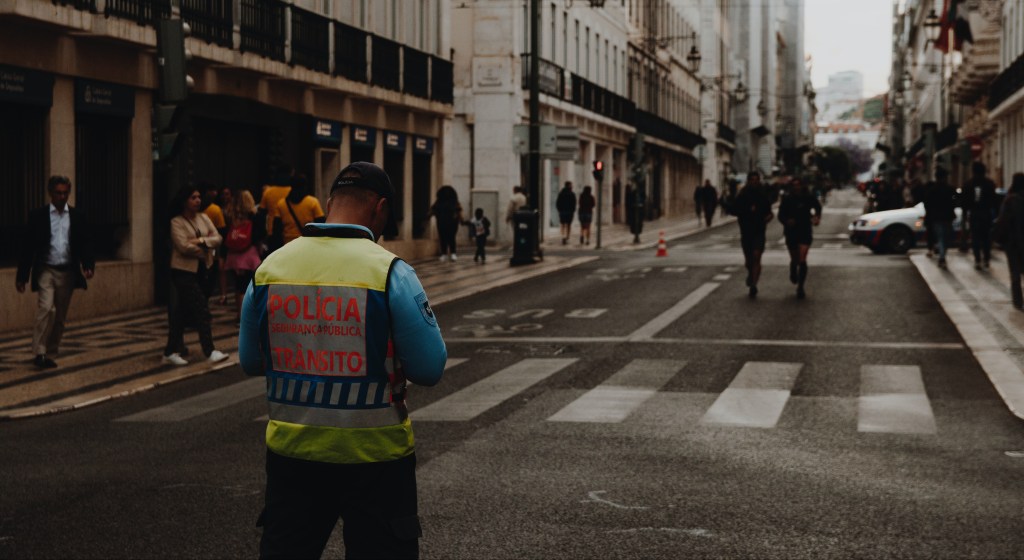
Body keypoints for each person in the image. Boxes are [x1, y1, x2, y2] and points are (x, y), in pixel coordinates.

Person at [238, 161, 447, 559]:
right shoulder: (390, 273)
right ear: (380, 208)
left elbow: (250, 361)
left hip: (293, 455)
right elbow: (429, 368)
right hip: (377, 459)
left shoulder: (270, 270)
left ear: (331, 202)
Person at [16, 175, 95, 369]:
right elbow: (28, 247)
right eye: (58, 193)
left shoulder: (77, 216)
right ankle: (39, 352)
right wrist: (22, 276)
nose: (62, 196)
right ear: (50, 193)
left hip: (67, 271)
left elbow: (85, 242)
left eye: (65, 193)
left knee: (59, 316)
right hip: (46, 269)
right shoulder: (38, 216)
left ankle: (50, 352)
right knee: (46, 309)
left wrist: (88, 265)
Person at [162, 186, 230, 366]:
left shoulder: (204, 218)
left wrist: (199, 241)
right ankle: (210, 350)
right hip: (183, 270)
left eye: (199, 197)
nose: (198, 200)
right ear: (185, 201)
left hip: (202, 269)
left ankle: (170, 351)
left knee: (181, 312)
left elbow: (218, 238)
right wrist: (204, 246)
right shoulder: (176, 222)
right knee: (201, 309)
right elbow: (183, 246)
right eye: (193, 197)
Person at [222, 188, 264, 319]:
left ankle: (239, 314)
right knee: (247, 286)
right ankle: (245, 315)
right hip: (248, 255)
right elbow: (259, 235)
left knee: (238, 286)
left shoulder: (231, 215)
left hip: (233, 256)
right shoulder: (254, 216)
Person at [777, 178, 822, 299]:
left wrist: (816, 217)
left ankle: (801, 286)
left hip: (805, 230)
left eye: (799, 185)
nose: (797, 187)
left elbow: (818, 207)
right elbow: (780, 215)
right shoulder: (787, 199)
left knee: (802, 258)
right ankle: (793, 267)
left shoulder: (808, 197)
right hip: (791, 231)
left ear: (802, 186)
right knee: (795, 258)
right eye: (794, 185)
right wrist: (787, 221)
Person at [733, 171, 774, 298]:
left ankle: (754, 285)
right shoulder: (742, 195)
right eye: (752, 179)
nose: (755, 181)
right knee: (748, 261)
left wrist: (768, 217)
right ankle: (751, 273)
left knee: (757, 256)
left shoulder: (763, 196)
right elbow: (735, 210)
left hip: (759, 230)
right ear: (748, 181)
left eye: (757, 179)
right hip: (746, 232)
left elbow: (770, 212)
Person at [994, 173, 1024, 309]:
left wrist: (999, 238)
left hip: (1013, 243)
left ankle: (1018, 302)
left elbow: (1003, 222)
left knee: (1015, 273)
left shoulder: (1010, 200)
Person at [962, 162, 998, 270]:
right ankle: (986, 259)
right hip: (986, 213)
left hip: (974, 213)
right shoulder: (989, 183)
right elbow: (994, 200)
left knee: (975, 237)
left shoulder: (968, 184)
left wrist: (965, 214)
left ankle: (977, 259)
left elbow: (965, 201)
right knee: (986, 237)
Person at [272, 175, 324, 246]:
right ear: (305, 186)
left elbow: (276, 229)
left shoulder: (281, 204)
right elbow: (321, 224)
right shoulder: (313, 202)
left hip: (288, 244)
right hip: (306, 243)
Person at [924, 168, 957, 269]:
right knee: (945, 238)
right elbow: (955, 201)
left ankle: (942, 255)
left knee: (941, 237)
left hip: (936, 217)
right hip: (946, 217)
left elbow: (927, 204)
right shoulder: (950, 189)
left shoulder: (932, 190)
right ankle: (942, 257)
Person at [258, 165, 293, 252]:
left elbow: (261, 213)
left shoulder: (268, 192)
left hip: (272, 232)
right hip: (290, 232)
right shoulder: (292, 191)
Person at [430, 185, 463, 262]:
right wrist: (461, 220)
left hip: (445, 222)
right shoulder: (453, 202)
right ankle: (450, 253)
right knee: (448, 238)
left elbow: (432, 210)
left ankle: (448, 253)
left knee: (445, 238)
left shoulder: (440, 202)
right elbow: (459, 211)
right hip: (449, 223)